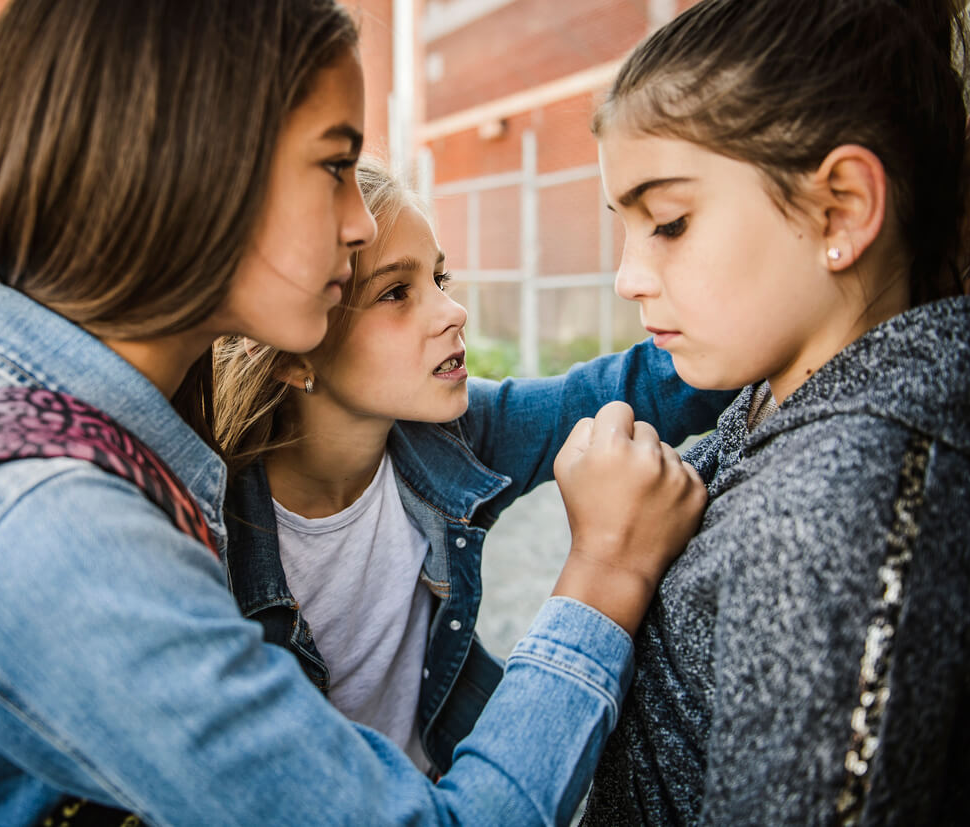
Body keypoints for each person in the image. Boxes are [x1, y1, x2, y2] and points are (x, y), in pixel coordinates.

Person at [0, 1, 709, 824]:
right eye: (335, 166)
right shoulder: (54, 534)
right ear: (195, 169)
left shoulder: (86, 426)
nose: (355, 220)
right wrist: (606, 569)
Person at [576, 0, 970, 824]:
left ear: (842, 206)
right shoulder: (789, 402)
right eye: (625, 228)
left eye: (667, 222)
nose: (627, 276)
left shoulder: (834, 525)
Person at [212, 156, 733, 775]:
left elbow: (626, 387)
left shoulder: (450, 433)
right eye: (395, 292)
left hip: (438, 776)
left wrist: (776, 324)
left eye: (440, 278)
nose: (452, 311)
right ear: (292, 352)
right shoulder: (211, 529)